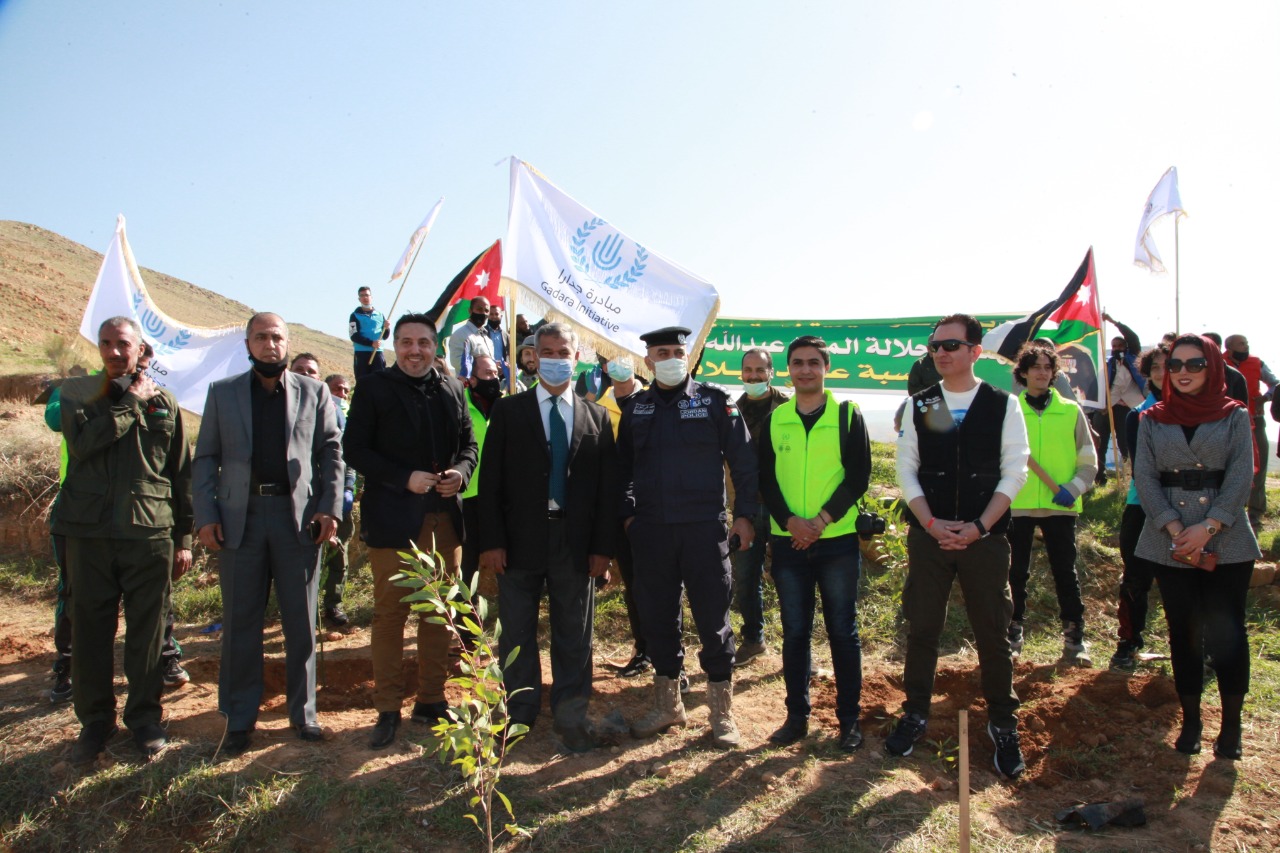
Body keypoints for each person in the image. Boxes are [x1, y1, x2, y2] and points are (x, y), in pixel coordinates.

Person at [194, 313, 344, 755]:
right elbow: (205, 458)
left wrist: (329, 508)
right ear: (247, 344)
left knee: (301, 621)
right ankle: (239, 719)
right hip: (238, 519)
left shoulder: (314, 392)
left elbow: (332, 452)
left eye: (277, 337)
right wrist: (205, 515)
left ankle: (304, 714)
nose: (269, 344)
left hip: (297, 519)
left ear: (287, 342)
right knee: (240, 622)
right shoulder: (222, 393)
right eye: (260, 337)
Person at [889, 313, 1029, 779]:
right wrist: (929, 523)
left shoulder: (1002, 405)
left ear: (975, 351)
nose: (941, 353)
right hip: (930, 539)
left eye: (951, 345)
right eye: (935, 346)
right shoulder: (922, 404)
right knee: (923, 628)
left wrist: (980, 526)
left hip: (984, 540)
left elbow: (1015, 471)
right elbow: (906, 468)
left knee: (993, 632)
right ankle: (915, 713)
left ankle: (1003, 723)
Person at [55, 317, 193, 762]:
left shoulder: (165, 402)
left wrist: (184, 538)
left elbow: (180, 474)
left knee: (148, 632)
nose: (115, 351)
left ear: (139, 348)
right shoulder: (77, 394)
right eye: (107, 343)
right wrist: (132, 402)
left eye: (123, 344)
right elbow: (83, 446)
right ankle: (95, 722)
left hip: (149, 533)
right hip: (88, 534)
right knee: (90, 630)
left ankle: (145, 719)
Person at [342, 312, 478, 749]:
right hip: (393, 522)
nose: (414, 350)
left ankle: (431, 700)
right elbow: (354, 449)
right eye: (405, 342)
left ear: (435, 347)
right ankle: (387, 708)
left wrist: (460, 473)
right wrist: (403, 478)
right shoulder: (374, 388)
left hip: (444, 520)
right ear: (394, 345)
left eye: (423, 342)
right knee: (391, 616)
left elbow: (469, 445)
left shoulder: (452, 388)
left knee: (438, 613)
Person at [478, 323, 617, 751]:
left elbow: (607, 491)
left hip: (575, 543)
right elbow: (490, 481)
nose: (556, 359)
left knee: (574, 635)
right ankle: (518, 714)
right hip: (518, 541)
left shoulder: (596, 417)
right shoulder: (508, 411)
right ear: (534, 357)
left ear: (577, 358)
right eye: (548, 352)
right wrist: (491, 541)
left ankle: (571, 719)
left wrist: (603, 549)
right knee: (517, 633)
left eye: (564, 352)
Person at [618, 326, 757, 747]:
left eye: (678, 352)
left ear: (689, 356)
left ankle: (721, 714)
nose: (671, 359)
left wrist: (744, 516)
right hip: (652, 532)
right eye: (662, 353)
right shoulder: (636, 407)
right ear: (648, 362)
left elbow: (744, 463)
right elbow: (622, 470)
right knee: (658, 619)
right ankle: (668, 706)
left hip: (704, 530)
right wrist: (629, 517)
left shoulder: (715, 402)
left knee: (714, 621)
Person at [1133, 334, 1261, 759]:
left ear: (1212, 367)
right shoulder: (1152, 418)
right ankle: (1191, 720)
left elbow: (1241, 474)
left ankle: (1231, 726)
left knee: (1228, 632)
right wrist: (1173, 527)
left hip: (1226, 535)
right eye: (1175, 365)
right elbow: (1144, 477)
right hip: (1166, 537)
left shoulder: (1233, 414)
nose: (1183, 372)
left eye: (1194, 364)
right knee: (1183, 632)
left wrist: (1209, 526)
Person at [758, 336, 871, 751]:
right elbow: (765, 479)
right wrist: (791, 522)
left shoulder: (847, 415)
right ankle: (796, 717)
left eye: (813, 363)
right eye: (798, 363)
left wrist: (821, 521)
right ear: (788, 369)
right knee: (795, 632)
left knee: (843, 631)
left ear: (826, 368)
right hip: (789, 542)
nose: (805, 370)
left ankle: (849, 720)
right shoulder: (775, 419)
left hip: (836, 541)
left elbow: (858, 476)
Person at [1005, 343, 1098, 663]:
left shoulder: (1071, 411)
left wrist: (1074, 488)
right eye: (1035, 367)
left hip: (1061, 505)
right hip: (1017, 504)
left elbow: (1089, 461)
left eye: (1048, 367)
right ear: (1023, 373)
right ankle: (1012, 632)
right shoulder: (1010, 412)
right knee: (1015, 572)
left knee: (1065, 572)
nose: (1042, 373)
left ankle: (1075, 639)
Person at [286, 356, 356, 628]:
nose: (305, 375)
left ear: (318, 380)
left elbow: (344, 453)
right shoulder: (279, 407)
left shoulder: (333, 410)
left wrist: (346, 488)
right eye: (299, 370)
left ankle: (332, 605)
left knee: (338, 554)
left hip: (331, 495)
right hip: (292, 498)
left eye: (311, 372)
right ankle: (299, 609)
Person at [1110, 344, 1168, 670]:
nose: (1163, 373)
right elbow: (1142, 469)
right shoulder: (1137, 416)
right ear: (1146, 374)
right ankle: (1128, 642)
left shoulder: (1203, 414)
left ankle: (1196, 646)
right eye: (1155, 368)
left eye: (1169, 366)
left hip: (1191, 509)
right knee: (1135, 578)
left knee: (1188, 583)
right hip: (1142, 504)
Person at [732, 347, 789, 666]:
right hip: (748, 508)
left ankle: (798, 648)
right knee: (745, 577)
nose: (753, 376)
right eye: (748, 370)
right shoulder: (733, 411)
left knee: (790, 578)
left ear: (771, 373)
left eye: (760, 370)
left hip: (786, 508)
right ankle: (754, 639)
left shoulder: (789, 407)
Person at [597, 355, 652, 677]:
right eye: (612, 359)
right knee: (633, 582)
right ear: (604, 367)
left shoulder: (651, 401)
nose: (619, 365)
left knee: (659, 584)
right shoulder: (597, 407)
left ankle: (668, 654)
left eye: (624, 358)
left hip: (653, 507)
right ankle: (643, 649)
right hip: (618, 510)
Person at [460, 354, 503, 602]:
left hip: (498, 494)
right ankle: (466, 613)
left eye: (496, 373)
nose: (493, 379)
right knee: (468, 559)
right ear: (473, 379)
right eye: (487, 374)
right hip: (468, 494)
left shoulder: (505, 405)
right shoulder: (460, 403)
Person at [1223, 334, 1276, 531]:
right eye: (1241, 344)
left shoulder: (1257, 363)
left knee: (1259, 465)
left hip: (1255, 420)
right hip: (1226, 422)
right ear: (1229, 348)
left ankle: (1255, 512)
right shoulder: (1219, 363)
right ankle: (1231, 509)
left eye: (1246, 343)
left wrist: (1265, 398)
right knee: (1230, 466)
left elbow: (1275, 383)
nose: (1246, 346)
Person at [1093, 316, 1145, 479]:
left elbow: (1132, 337)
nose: (1116, 348)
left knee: (1125, 443)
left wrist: (1113, 321)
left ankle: (1130, 477)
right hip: (1107, 408)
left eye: (1119, 345)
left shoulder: (1133, 358)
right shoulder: (1108, 363)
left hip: (1127, 408)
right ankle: (1099, 476)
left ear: (1126, 346)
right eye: (1114, 346)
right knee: (1099, 441)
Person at [447, 296, 495, 379]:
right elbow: (457, 362)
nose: (483, 313)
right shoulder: (460, 334)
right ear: (470, 311)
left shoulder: (487, 339)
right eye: (479, 309)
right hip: (468, 384)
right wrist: (483, 367)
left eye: (486, 311)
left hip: (488, 383)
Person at [349, 286, 390, 380]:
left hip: (378, 352)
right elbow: (353, 336)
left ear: (371, 297)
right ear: (359, 299)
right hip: (361, 353)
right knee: (362, 380)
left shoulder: (380, 315)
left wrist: (387, 328)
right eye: (362, 295)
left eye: (367, 295)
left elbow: (385, 336)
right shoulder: (354, 316)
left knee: (379, 380)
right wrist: (371, 343)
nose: (365, 297)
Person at [483, 302, 509, 380]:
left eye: (496, 314)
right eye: (491, 314)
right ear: (487, 316)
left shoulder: (506, 335)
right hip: (486, 372)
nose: (494, 316)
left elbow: (509, 354)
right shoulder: (481, 332)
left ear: (501, 316)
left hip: (503, 373)